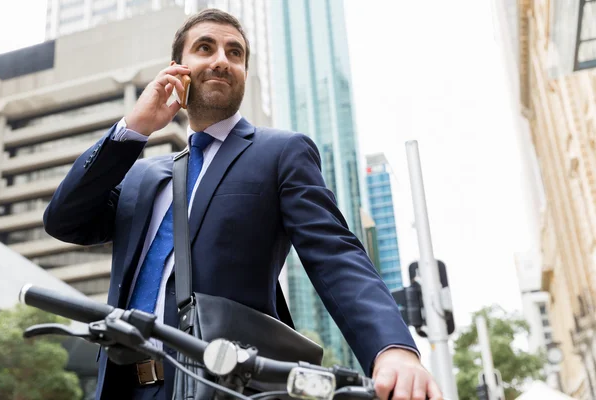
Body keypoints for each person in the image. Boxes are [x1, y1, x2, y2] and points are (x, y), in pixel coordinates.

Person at [43, 8, 443, 400]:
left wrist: (392, 347)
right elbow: (64, 220)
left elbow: (336, 254)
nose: (222, 61)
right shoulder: (142, 174)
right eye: (205, 48)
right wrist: (133, 128)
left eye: (235, 53)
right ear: (177, 69)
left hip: (222, 385)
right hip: (121, 387)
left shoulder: (280, 153)